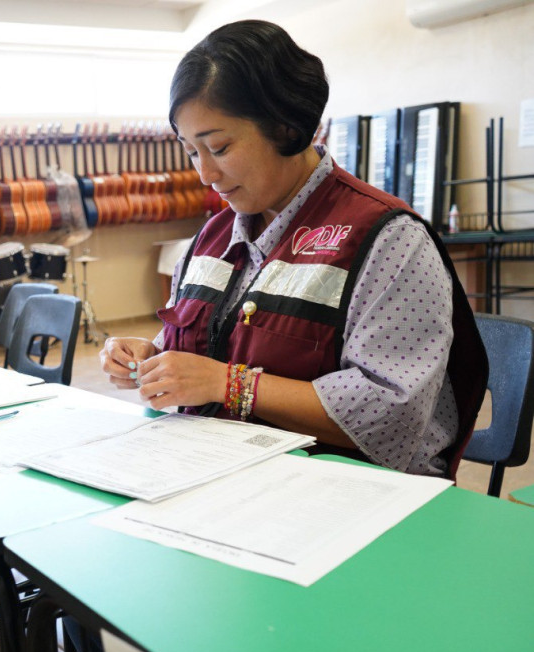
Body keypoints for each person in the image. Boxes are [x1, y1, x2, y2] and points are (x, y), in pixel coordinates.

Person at [101, 19, 487, 478]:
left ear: (286, 127)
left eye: (219, 147)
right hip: (222, 475)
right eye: (190, 152)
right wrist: (150, 357)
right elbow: (198, 342)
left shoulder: (387, 240)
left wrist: (228, 384)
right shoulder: (213, 237)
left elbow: (393, 417)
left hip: (341, 494)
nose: (204, 174)